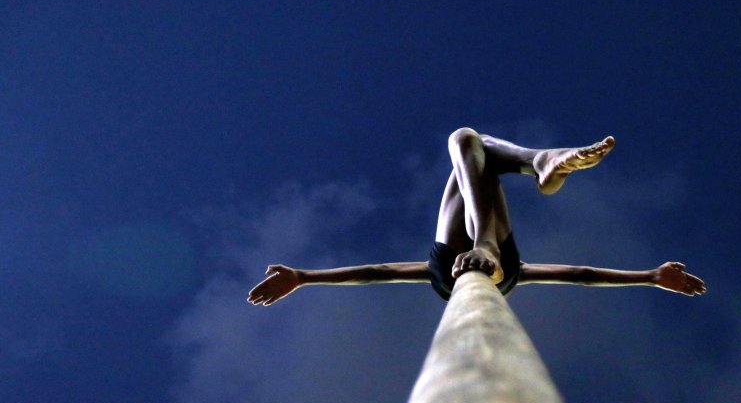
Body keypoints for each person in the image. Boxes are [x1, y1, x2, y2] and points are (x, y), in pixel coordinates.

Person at [247, 128, 706, 306]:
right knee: (469, 142)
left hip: (451, 260)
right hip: (497, 258)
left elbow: (376, 272)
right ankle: (539, 161)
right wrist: (648, 276)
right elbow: (581, 275)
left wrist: (305, 277)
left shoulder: (437, 278)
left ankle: (538, 162)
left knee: (467, 142)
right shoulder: (516, 275)